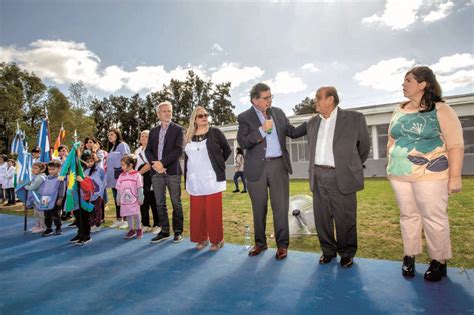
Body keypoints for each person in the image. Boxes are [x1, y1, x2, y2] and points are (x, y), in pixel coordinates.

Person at [387, 66, 464, 282]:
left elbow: (456, 144)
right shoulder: (399, 109)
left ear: (423, 84)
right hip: (400, 175)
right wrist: (390, 164)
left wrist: (455, 176)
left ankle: (438, 260)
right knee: (408, 216)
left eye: (408, 80)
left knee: (433, 217)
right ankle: (409, 255)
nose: (404, 84)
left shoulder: (440, 109)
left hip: (431, 174)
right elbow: (391, 140)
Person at [297, 86, 370, 268]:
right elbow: (291, 132)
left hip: (341, 175)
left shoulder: (354, 119)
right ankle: (328, 251)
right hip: (318, 174)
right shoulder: (313, 122)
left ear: (330, 99)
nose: (315, 101)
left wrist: (349, 167)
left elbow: (364, 147)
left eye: (318, 98)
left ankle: (346, 253)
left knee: (345, 217)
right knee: (322, 217)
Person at [237, 83, 305, 260]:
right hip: (256, 168)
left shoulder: (279, 112)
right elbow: (243, 142)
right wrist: (261, 130)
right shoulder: (244, 117)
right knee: (259, 208)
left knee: (280, 208)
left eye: (270, 97)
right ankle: (260, 243)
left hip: (278, 166)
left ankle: (282, 245)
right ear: (255, 100)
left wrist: (310, 124)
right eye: (266, 98)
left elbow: (291, 131)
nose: (269, 100)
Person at [184, 106, 232, 251]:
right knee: (198, 211)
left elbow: (227, 150)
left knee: (213, 211)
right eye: (200, 116)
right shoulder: (188, 136)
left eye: (206, 115)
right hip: (195, 179)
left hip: (212, 178)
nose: (204, 117)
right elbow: (187, 158)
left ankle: (217, 240)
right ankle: (202, 238)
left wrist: (218, 164)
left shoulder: (215, 132)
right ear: (194, 119)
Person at [146, 101, 185, 244]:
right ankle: (164, 231)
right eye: (164, 111)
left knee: (176, 202)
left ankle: (178, 231)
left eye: (169, 111)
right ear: (158, 114)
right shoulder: (153, 131)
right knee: (159, 202)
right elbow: (148, 150)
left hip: (173, 171)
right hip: (156, 172)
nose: (168, 113)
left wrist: (162, 163)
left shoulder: (178, 129)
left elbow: (178, 150)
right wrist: (157, 165)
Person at [135, 130, 160, 234]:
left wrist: (139, 172)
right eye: (142, 136)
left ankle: (158, 224)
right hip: (141, 180)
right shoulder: (137, 151)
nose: (144, 138)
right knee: (143, 202)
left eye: (146, 136)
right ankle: (145, 224)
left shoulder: (154, 149)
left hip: (152, 178)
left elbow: (151, 163)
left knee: (154, 202)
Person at [105, 128, 131, 229]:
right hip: (112, 177)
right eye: (108, 135)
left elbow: (126, 158)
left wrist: (125, 172)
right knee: (117, 199)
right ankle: (119, 218)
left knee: (123, 197)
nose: (110, 136)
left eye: (112, 134)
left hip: (120, 175)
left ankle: (126, 220)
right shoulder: (112, 148)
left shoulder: (122, 145)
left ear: (117, 135)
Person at [116, 154, 144, 239]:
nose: (122, 167)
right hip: (124, 200)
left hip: (134, 199)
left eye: (123, 165)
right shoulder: (121, 176)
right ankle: (131, 230)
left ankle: (139, 229)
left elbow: (140, 187)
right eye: (121, 165)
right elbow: (118, 188)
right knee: (128, 214)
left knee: (136, 214)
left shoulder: (137, 175)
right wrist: (118, 198)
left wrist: (140, 197)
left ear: (131, 165)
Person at [37, 160, 65, 237]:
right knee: (46, 214)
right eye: (49, 169)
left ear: (59, 169)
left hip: (55, 198)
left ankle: (58, 227)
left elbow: (62, 189)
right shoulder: (47, 178)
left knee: (56, 214)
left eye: (53, 169)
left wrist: (60, 198)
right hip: (45, 198)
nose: (51, 171)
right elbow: (43, 188)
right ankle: (49, 228)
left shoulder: (60, 178)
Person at [79, 150, 105, 234]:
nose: (90, 163)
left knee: (97, 209)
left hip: (97, 194)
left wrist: (101, 190)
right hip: (88, 195)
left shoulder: (98, 169)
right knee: (90, 210)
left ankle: (97, 224)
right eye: (88, 162)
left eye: (91, 161)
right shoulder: (83, 172)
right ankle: (92, 224)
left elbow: (104, 179)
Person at [24, 162, 47, 233]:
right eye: (32, 168)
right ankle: (38, 225)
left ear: (42, 170)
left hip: (42, 198)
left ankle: (43, 227)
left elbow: (33, 187)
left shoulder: (41, 177)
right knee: (36, 213)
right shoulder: (35, 176)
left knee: (41, 213)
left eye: (36, 168)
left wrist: (25, 186)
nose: (33, 170)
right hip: (36, 198)